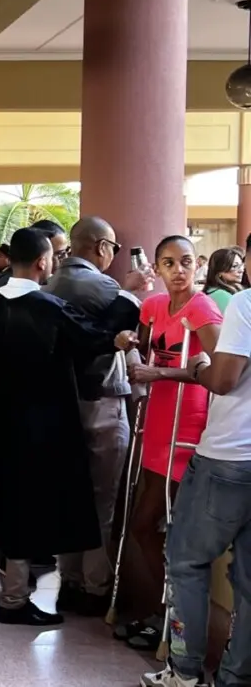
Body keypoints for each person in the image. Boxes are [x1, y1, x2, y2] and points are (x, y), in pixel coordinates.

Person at [0, 228, 120, 626]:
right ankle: (14, 598)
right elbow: (94, 338)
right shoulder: (48, 309)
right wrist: (126, 317)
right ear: (43, 262)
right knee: (24, 506)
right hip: (34, 427)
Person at [115, 235, 223, 651]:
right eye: (168, 263)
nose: (178, 270)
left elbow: (218, 371)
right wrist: (128, 344)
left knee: (160, 527)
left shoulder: (202, 308)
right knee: (145, 526)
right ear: (156, 269)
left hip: (187, 427)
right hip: (158, 422)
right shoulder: (154, 306)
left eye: (186, 262)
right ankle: (165, 609)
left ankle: (173, 617)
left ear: (198, 266)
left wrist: (158, 376)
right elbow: (142, 349)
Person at [140, 287, 251, 687]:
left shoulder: (245, 303)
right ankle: (236, 676)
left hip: (229, 454)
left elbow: (223, 379)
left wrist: (198, 368)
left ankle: (184, 671)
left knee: (185, 561)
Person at [43, 217, 150, 615]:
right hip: (101, 401)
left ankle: (69, 579)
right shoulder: (105, 288)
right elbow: (126, 334)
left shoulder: (49, 284)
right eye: (115, 248)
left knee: (68, 496)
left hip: (60, 405)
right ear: (102, 247)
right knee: (102, 499)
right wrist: (133, 292)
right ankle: (95, 585)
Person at [202, 246, 245, 314]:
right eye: (234, 266)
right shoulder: (221, 295)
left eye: (241, 266)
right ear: (219, 271)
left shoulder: (213, 291)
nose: (241, 270)